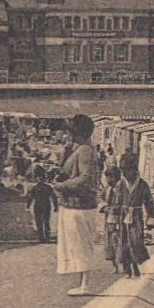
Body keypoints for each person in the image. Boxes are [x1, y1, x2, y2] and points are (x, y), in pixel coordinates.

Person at [51, 114, 101, 296]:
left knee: (80, 244)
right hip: (75, 205)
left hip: (79, 206)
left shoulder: (85, 151)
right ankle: (82, 283)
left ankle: (85, 284)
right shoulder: (81, 149)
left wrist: (60, 186)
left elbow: (86, 179)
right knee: (77, 243)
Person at [107, 164, 154, 278]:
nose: (124, 174)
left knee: (136, 241)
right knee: (123, 242)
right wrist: (113, 220)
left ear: (134, 170)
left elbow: (149, 202)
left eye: (127, 170)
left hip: (137, 217)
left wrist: (150, 219)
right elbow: (117, 203)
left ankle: (135, 265)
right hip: (122, 217)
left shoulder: (142, 185)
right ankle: (128, 268)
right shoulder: (121, 185)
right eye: (123, 171)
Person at [25, 171, 57, 243]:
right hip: (45, 205)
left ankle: (42, 238)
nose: (40, 179)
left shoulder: (35, 187)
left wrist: (28, 206)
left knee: (41, 222)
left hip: (39, 205)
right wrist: (55, 206)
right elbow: (53, 197)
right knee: (45, 222)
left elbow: (30, 197)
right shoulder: (47, 187)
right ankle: (46, 237)